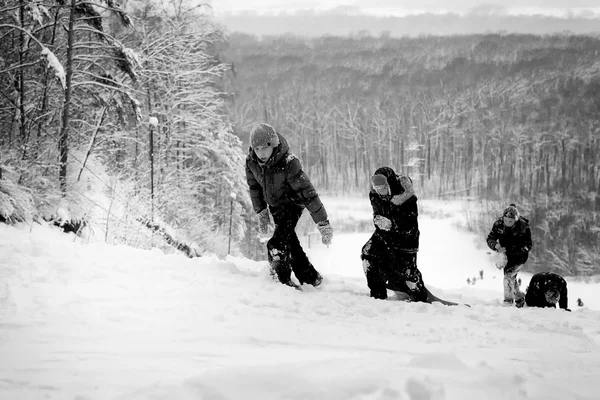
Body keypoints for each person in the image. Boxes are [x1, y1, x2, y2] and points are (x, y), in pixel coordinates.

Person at [245, 123, 333, 289]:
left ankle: (282, 281)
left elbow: (308, 193)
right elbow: (254, 188)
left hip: (292, 204)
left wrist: (323, 223)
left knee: (277, 243)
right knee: (289, 241)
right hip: (275, 206)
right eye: (257, 149)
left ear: (274, 144)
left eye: (265, 148)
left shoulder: (288, 163)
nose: (261, 153)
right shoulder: (251, 163)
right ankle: (311, 278)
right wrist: (261, 212)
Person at [360, 166, 429, 302]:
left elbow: (410, 222)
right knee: (369, 254)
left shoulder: (406, 196)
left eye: (383, 188)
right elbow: (377, 215)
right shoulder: (374, 195)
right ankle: (377, 294)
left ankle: (420, 297)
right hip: (384, 235)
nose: (380, 192)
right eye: (378, 189)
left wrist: (392, 223)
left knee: (407, 273)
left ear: (390, 185)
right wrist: (379, 222)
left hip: (406, 237)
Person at [486, 203, 532, 304]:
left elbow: (527, 246)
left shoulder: (523, 227)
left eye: (510, 221)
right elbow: (490, 238)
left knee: (508, 277)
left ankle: (508, 302)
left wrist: (508, 249)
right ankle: (519, 298)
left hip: (519, 257)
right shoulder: (498, 224)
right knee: (511, 278)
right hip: (506, 257)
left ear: (516, 219)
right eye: (505, 220)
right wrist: (495, 246)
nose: (507, 223)